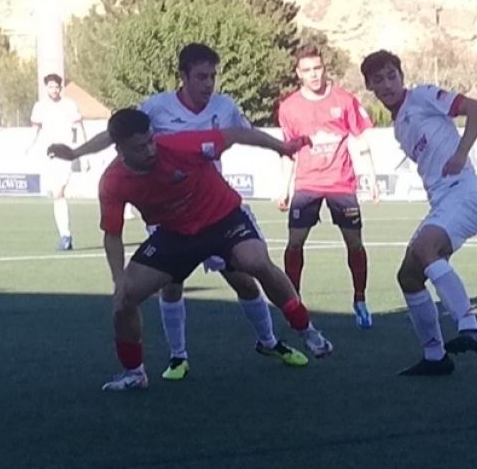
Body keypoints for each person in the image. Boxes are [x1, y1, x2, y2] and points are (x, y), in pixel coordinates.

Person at [48, 43, 292, 382]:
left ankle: (269, 341)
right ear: (184, 77)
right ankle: (178, 358)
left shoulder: (225, 106)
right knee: (171, 285)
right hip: (170, 213)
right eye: (201, 76)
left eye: (212, 76)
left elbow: (245, 132)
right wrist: (75, 151)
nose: (208, 84)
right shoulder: (157, 107)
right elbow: (117, 132)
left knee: (244, 280)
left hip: (213, 207)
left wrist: (281, 150)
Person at [98, 109, 333, 391]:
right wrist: (118, 279)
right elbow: (112, 234)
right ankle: (134, 373)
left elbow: (236, 134)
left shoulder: (180, 145)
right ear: (119, 148)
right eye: (140, 147)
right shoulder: (112, 181)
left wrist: (282, 147)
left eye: (151, 140)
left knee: (254, 262)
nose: (150, 150)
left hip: (223, 218)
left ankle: (307, 330)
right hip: (175, 234)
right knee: (123, 299)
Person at [360, 49, 477, 376]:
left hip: (464, 195)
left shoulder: (422, 96)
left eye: (392, 75)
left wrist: (461, 153)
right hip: (444, 203)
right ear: (370, 86)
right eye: (379, 79)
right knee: (408, 275)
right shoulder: (398, 126)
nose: (388, 84)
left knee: (425, 249)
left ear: (402, 77)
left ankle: (469, 325)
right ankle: (435, 356)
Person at [277, 44, 378, 329]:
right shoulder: (289, 107)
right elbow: (289, 150)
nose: (313, 75)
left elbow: (361, 139)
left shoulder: (344, 100)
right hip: (307, 184)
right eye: (307, 70)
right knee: (295, 242)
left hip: (341, 184)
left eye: (317, 69)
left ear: (324, 68)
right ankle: (293, 301)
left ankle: (360, 300)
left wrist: (371, 178)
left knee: (354, 242)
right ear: (298, 73)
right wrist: (284, 187)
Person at [27, 73, 88, 251]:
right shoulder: (39, 107)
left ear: (60, 88)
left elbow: (79, 129)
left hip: (65, 154)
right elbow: (35, 131)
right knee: (56, 194)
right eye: (50, 87)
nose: (53, 90)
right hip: (49, 156)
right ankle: (65, 235)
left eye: (56, 87)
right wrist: (27, 148)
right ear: (46, 88)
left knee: (59, 192)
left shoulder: (69, 105)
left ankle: (65, 235)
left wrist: (83, 154)